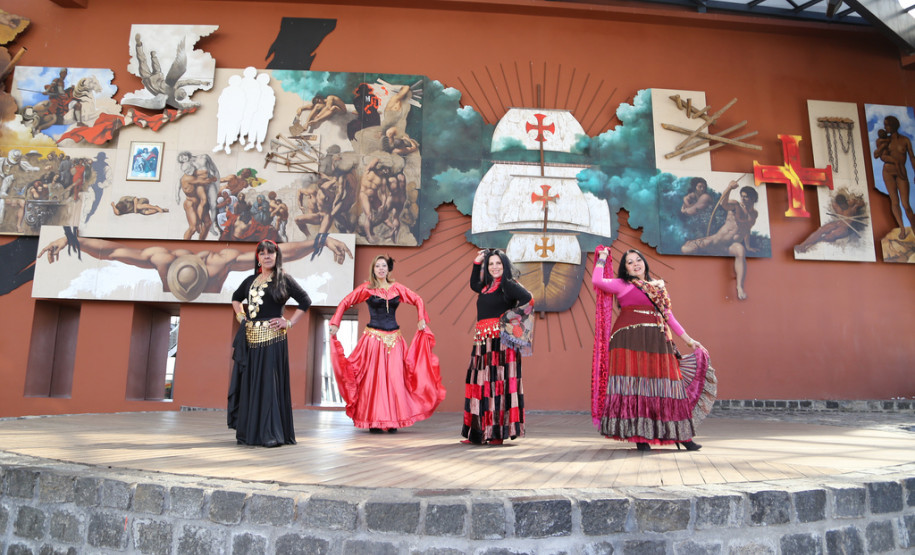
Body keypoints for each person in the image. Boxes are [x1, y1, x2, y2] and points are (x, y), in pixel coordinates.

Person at [591, 247, 716, 451]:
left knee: (668, 387)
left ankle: (681, 436)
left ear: (644, 263)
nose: (635, 264)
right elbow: (597, 281)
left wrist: (689, 340)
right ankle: (641, 437)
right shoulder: (622, 284)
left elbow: (669, 317)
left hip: (658, 340)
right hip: (629, 341)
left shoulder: (658, 288)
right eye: (629, 262)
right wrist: (602, 259)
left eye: (638, 260)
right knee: (636, 388)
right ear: (625, 269)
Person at [328, 255, 445, 432]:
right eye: (377, 266)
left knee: (395, 380)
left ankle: (393, 421)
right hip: (373, 339)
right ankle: (374, 420)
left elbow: (417, 300)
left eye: (384, 266)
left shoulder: (397, 288)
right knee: (374, 381)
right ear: (373, 270)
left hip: (395, 340)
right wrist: (335, 322)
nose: (381, 269)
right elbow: (346, 301)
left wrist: (421, 318)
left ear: (388, 269)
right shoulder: (367, 288)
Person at [228, 240, 311, 447]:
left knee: (268, 386)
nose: (267, 256)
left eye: (271, 253)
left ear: (276, 256)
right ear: (258, 257)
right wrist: (241, 316)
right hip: (250, 339)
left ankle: (270, 433)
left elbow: (305, 301)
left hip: (273, 339)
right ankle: (250, 433)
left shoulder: (283, 280)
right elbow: (236, 298)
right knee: (251, 384)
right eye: (263, 253)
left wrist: (288, 322)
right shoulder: (249, 280)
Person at [462, 249, 534, 445]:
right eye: (491, 264)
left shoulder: (508, 285)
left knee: (497, 385)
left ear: (505, 266)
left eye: (498, 264)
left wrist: (508, 319)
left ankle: (496, 433)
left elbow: (529, 299)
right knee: (480, 384)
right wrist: (477, 263)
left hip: (500, 344)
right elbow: (474, 284)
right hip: (482, 343)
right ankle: (478, 433)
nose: (494, 267)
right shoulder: (487, 285)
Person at [681, 181, 759, 300]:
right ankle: (695, 243)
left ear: (753, 198)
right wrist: (729, 188)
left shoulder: (754, 214)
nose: (743, 198)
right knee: (685, 249)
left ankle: (739, 287)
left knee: (740, 250)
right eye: (742, 196)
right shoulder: (736, 205)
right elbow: (724, 204)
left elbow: (746, 229)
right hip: (717, 241)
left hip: (729, 247)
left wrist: (748, 246)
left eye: (746, 196)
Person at [873, 116, 915, 239]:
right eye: (885, 125)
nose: (885, 127)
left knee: (906, 204)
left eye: (887, 125)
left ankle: (913, 227)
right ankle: (902, 228)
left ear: (893, 125)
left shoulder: (905, 140)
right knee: (895, 202)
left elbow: (912, 157)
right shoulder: (884, 140)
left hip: (901, 172)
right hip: (888, 171)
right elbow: (879, 155)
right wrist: (893, 159)